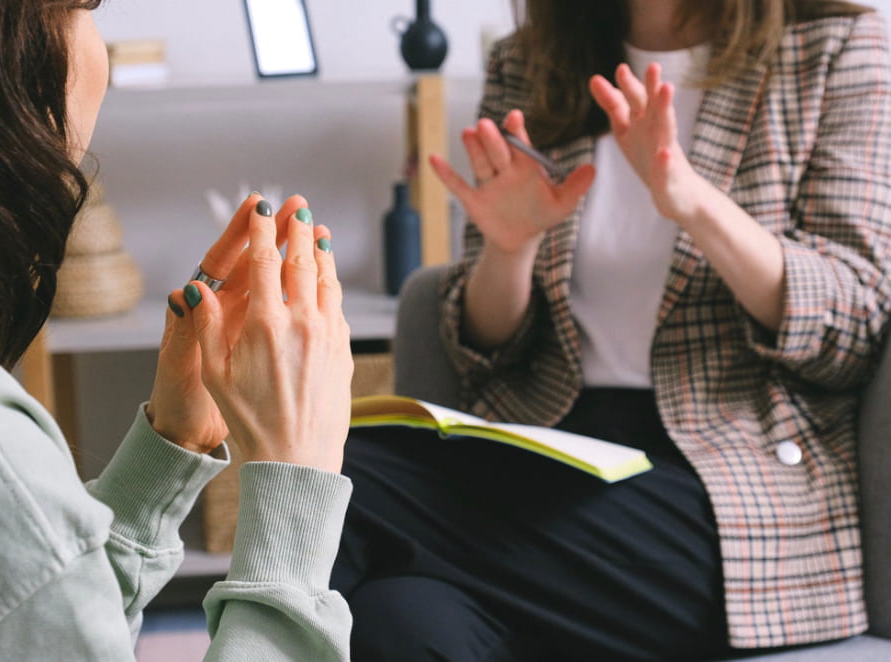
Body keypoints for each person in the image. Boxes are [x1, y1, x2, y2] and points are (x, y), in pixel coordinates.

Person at [331, 0, 891, 659]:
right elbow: (484, 353)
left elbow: (854, 327)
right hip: (541, 460)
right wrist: (511, 248)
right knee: (398, 621)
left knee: (336, 476)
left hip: (730, 498)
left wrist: (694, 202)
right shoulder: (530, 61)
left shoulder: (835, 45)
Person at [0, 1, 354, 660]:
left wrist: (171, 446)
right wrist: (296, 479)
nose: (100, 54)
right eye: (88, 10)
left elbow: (18, 622)